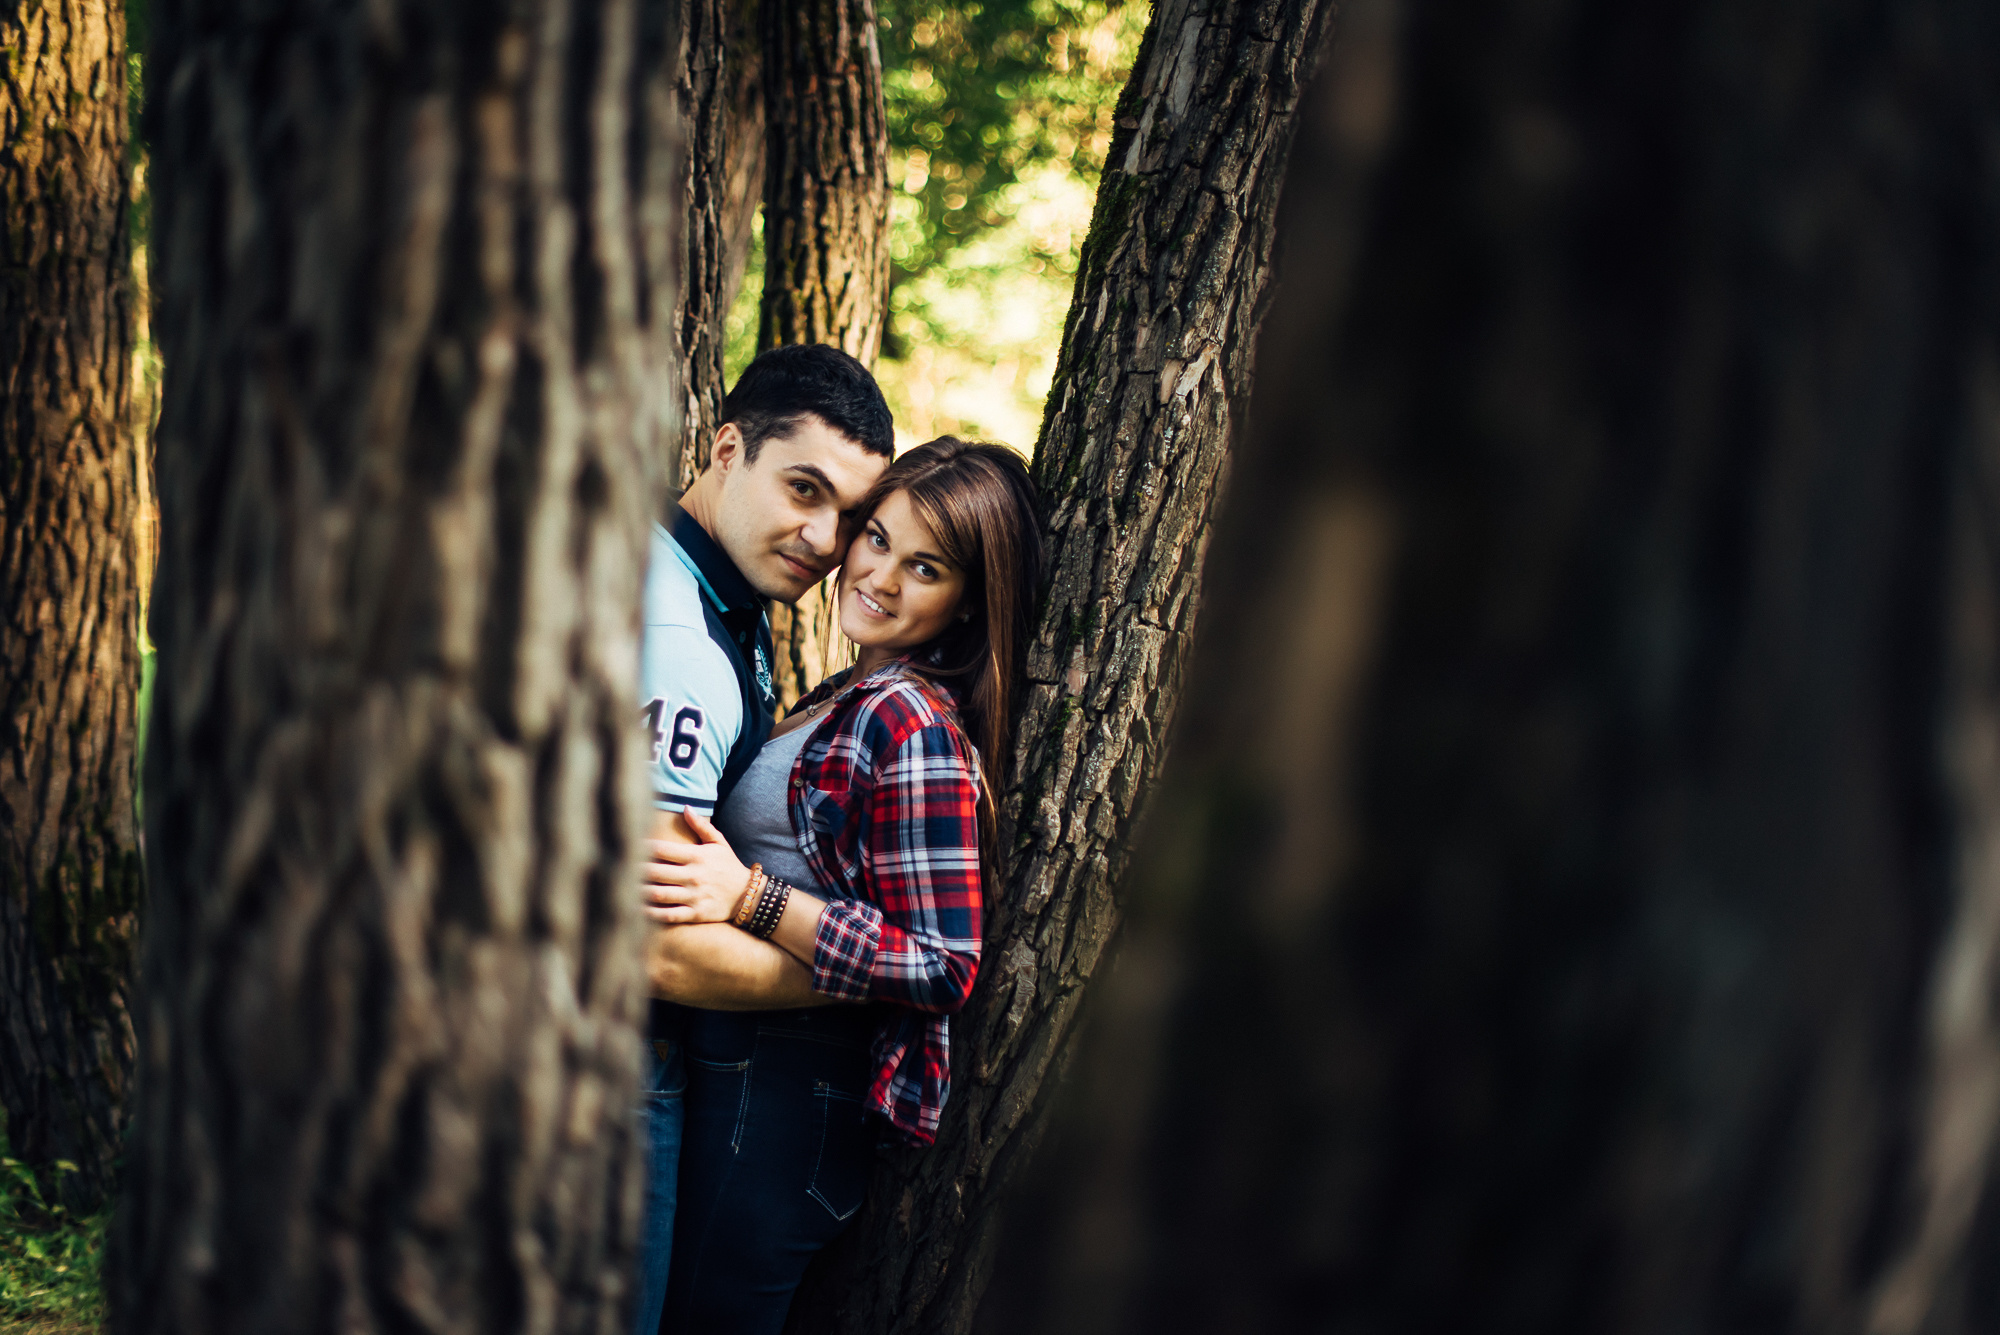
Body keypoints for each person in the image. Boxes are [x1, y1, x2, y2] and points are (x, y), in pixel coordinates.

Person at [643, 437, 1047, 1333]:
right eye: (876, 540)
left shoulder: (908, 719)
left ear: (968, 599)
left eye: (925, 567)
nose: (882, 576)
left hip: (784, 1091)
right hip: (748, 1072)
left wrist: (753, 899)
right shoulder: (849, 690)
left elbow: (946, 960)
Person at [633, 344, 892, 1335]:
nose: (824, 538)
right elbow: (653, 943)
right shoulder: (679, 648)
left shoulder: (682, 576)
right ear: (726, 447)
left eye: (849, 516)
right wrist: (866, 970)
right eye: (801, 489)